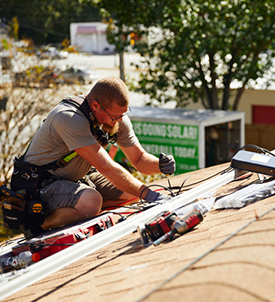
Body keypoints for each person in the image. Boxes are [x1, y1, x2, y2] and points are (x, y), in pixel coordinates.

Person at [11, 76, 175, 237]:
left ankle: (83, 210)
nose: (119, 120)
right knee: (91, 201)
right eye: (115, 117)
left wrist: (159, 165)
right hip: (39, 184)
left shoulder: (115, 117)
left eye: (123, 114)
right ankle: (39, 225)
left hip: (76, 178)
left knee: (132, 191)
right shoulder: (69, 117)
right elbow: (107, 168)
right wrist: (150, 196)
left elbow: (138, 159)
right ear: (95, 106)